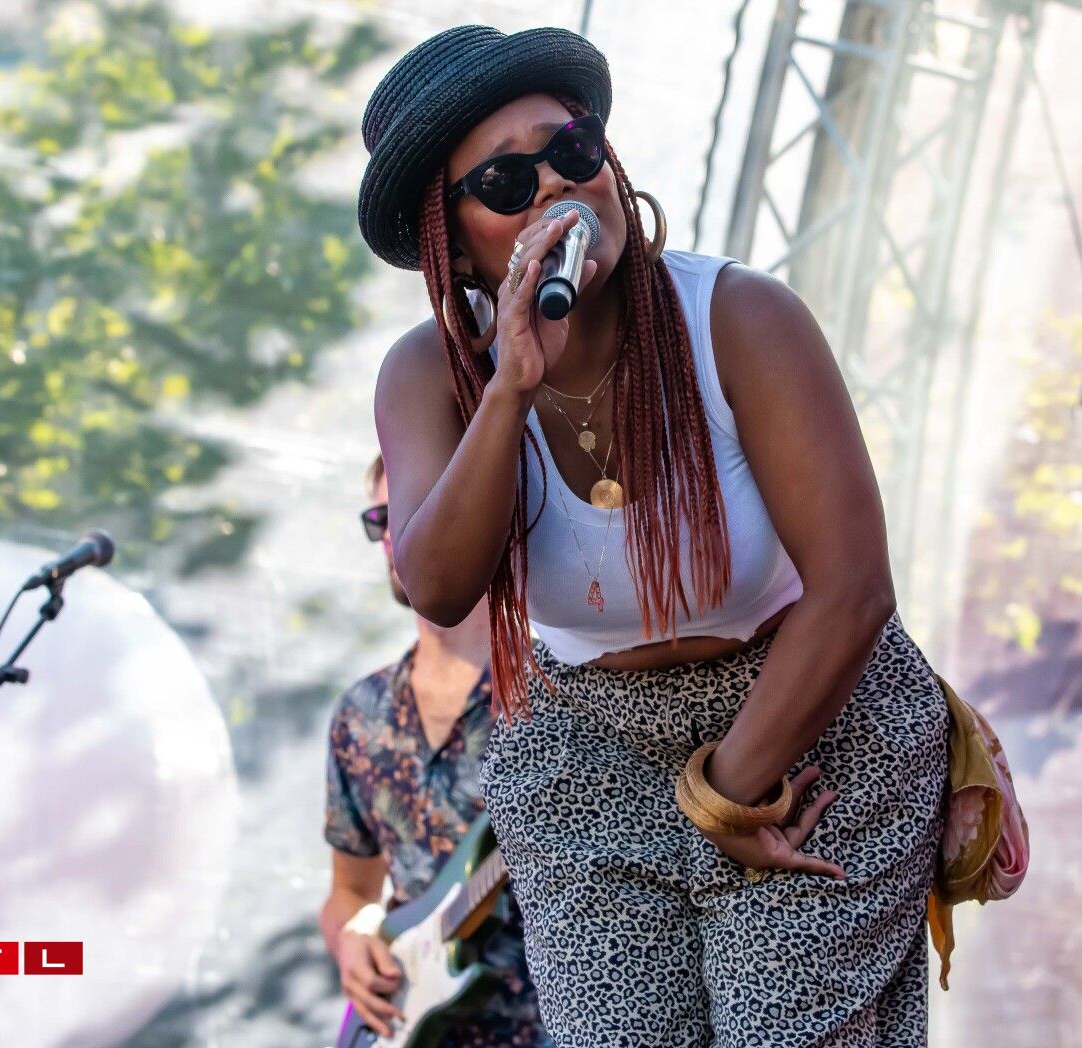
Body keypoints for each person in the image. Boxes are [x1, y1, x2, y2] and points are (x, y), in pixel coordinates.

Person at [359, 24, 947, 1048]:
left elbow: (854, 588)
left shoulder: (741, 319)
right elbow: (438, 585)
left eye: (572, 148)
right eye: (505, 180)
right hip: (587, 749)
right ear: (451, 240)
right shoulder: (429, 375)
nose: (556, 185)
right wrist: (510, 386)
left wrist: (726, 795)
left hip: (802, 723)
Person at [319, 453, 552, 1046]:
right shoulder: (361, 714)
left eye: (412, 507)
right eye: (380, 517)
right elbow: (350, 892)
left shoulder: (564, 692)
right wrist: (353, 937)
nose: (392, 533)